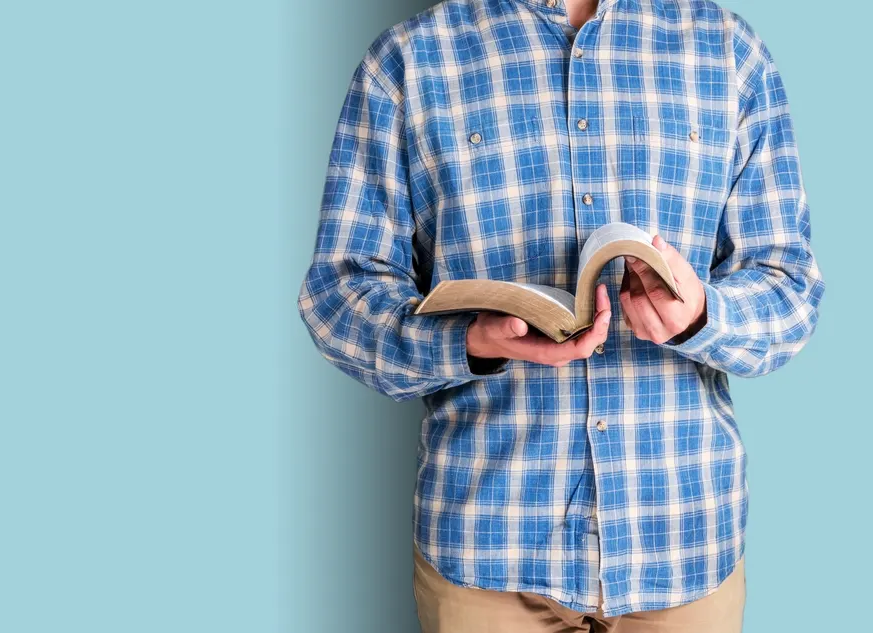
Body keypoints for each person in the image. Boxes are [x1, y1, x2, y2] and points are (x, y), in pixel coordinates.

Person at [297, 0, 823, 630]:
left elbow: (790, 289)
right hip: (487, 544)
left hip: (684, 537)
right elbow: (338, 296)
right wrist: (469, 343)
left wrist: (702, 316)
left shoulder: (727, 52)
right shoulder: (410, 60)